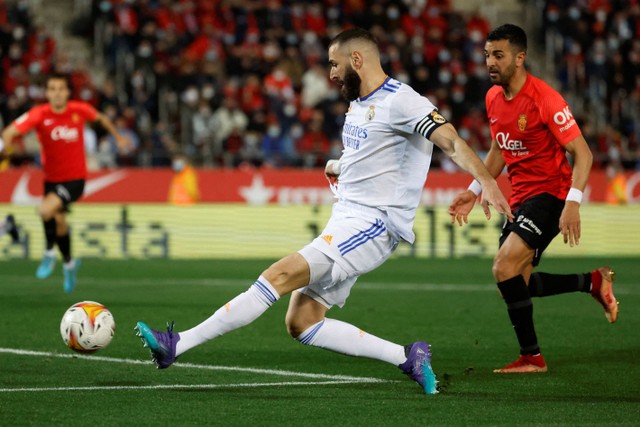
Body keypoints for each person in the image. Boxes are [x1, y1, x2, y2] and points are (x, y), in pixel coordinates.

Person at [135, 27, 512, 394]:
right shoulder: (359, 104)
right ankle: (407, 356)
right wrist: (340, 166)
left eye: (334, 64)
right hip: (347, 218)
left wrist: (487, 183)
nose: (331, 73)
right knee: (302, 322)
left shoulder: (403, 101)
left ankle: (177, 344)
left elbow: (451, 142)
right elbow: (371, 156)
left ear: (357, 59)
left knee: (278, 275)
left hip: (374, 224)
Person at [448, 24, 619, 374]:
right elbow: (499, 148)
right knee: (513, 284)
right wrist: (475, 188)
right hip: (521, 198)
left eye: (498, 55)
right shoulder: (493, 98)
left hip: (552, 195)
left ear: (520, 58)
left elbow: (583, 154)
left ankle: (532, 358)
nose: (490, 63)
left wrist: (572, 202)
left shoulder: (545, 99)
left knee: (502, 267)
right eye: (486, 56)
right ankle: (592, 282)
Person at [1, 73, 129, 293]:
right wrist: (7, 146)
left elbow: (100, 118)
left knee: (45, 210)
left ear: (67, 92)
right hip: (51, 180)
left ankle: (49, 254)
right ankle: (69, 264)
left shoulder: (78, 110)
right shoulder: (39, 114)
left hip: (76, 179)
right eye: (52, 88)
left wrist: (118, 137)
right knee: (58, 221)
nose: (57, 93)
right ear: (47, 93)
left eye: (61, 88)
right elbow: (11, 131)